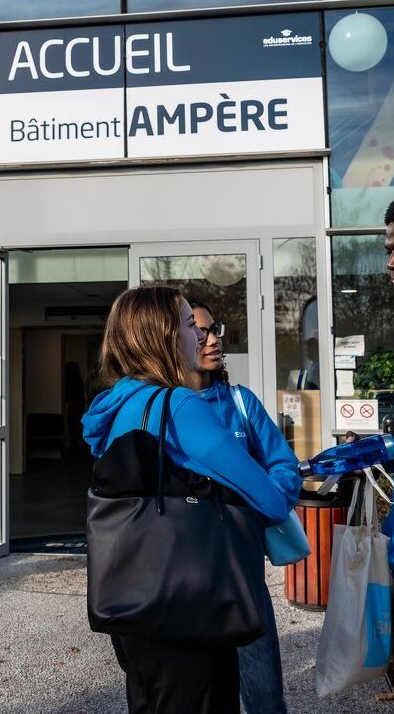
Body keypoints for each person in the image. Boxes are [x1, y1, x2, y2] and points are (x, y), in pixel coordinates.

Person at [82, 286, 290, 714]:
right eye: (186, 324)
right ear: (162, 336)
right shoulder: (180, 406)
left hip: (134, 600)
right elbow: (269, 500)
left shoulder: (119, 404)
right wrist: (279, 487)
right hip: (190, 605)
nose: (198, 335)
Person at [189, 299, 302, 714]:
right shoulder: (162, 408)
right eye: (201, 332)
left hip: (242, 572)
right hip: (184, 576)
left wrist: (258, 502)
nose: (215, 339)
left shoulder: (240, 402)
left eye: (214, 329)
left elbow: (284, 467)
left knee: (264, 695)